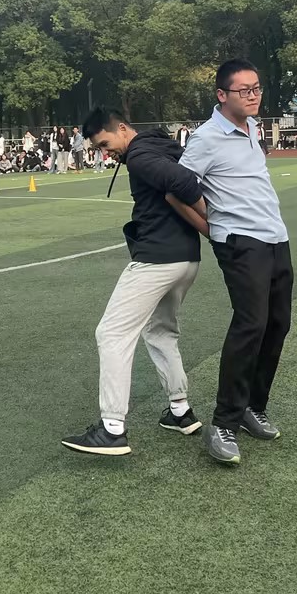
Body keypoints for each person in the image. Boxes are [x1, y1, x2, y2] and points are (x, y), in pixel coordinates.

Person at [61, 109, 208, 456]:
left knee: (111, 333)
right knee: (160, 331)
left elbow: (185, 184)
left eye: (105, 143)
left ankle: (112, 429)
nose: (105, 152)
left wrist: (211, 224)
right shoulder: (161, 146)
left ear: (122, 129)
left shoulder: (140, 155)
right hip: (186, 259)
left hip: (157, 259)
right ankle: (180, 411)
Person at [179, 60, 292, 467]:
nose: (253, 95)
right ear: (221, 95)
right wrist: (210, 229)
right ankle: (223, 422)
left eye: (257, 87)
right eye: (244, 90)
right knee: (250, 325)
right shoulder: (206, 138)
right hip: (241, 243)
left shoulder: (252, 127)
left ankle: (251, 407)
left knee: (277, 324)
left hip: (275, 237)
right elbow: (176, 190)